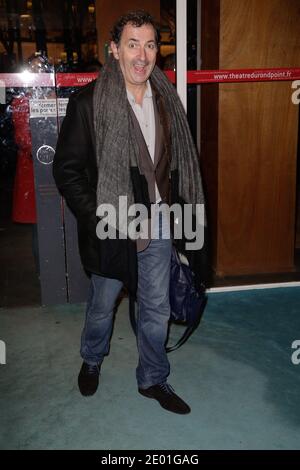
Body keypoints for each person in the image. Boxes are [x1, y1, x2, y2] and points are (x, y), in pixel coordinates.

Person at [53, 10, 206, 415]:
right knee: (104, 303)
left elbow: (178, 162)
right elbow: (67, 172)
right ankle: (91, 357)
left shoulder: (168, 100)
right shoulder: (89, 103)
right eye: (133, 44)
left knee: (156, 304)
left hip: (157, 220)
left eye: (151, 44)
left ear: (159, 51)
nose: (142, 55)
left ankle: (153, 378)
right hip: (112, 222)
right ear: (115, 49)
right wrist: (100, 217)